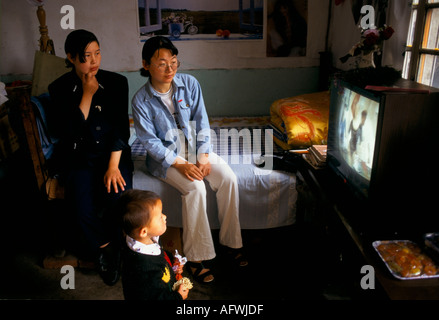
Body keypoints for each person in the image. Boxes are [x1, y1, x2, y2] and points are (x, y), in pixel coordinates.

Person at [131, 36, 247, 283]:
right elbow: (150, 143)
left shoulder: (190, 84)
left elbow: (202, 121)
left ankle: (231, 243)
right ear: (146, 65)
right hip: (166, 159)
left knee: (228, 178)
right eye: (162, 63)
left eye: (173, 62)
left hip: (196, 149)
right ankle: (196, 258)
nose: (170, 68)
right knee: (195, 188)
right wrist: (181, 164)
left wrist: (203, 156)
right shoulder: (141, 100)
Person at [48, 29, 133, 286]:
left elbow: (121, 129)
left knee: (117, 196)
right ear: (71, 57)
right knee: (80, 204)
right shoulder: (59, 88)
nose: (94, 61)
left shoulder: (117, 83)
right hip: (79, 157)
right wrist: (87, 94)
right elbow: (67, 132)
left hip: (113, 156)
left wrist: (113, 166)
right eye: (86, 56)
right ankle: (107, 248)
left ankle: (116, 248)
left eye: (97, 53)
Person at [119, 189, 189, 300]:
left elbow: (160, 256)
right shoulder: (144, 270)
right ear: (143, 231)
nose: (165, 216)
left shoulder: (144, 240)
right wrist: (178, 297)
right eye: (160, 217)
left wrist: (172, 264)